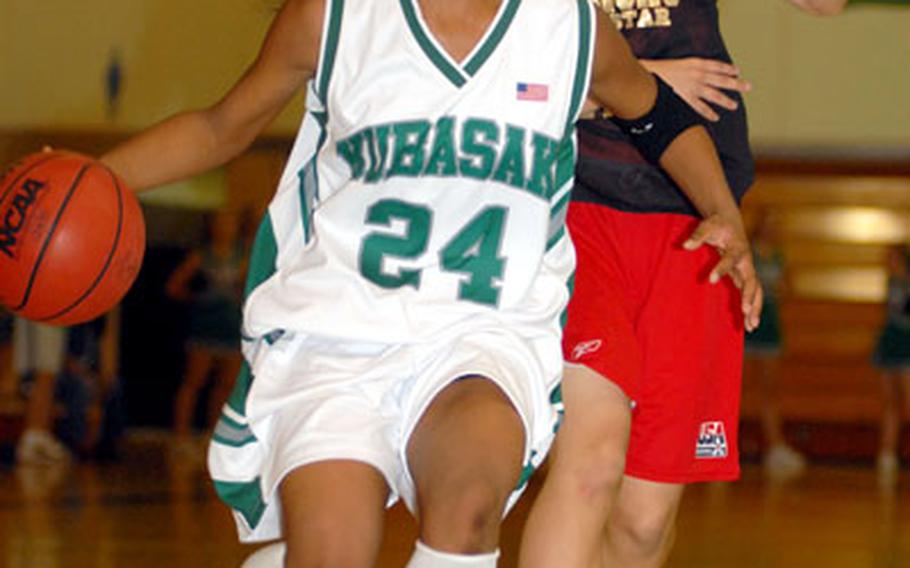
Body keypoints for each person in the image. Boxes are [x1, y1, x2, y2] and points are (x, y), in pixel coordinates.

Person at [98, 0, 758, 565]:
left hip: (482, 335)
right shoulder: (335, 17)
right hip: (335, 333)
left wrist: (721, 211)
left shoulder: (567, 24)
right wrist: (93, 180)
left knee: (470, 506)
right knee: (335, 551)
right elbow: (221, 127)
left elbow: (661, 117)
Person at [520, 1, 846, 567]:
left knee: (643, 524)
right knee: (591, 463)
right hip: (579, 204)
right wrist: (637, 84)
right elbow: (503, 74)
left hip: (695, 215)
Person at [165, 209, 246, 455]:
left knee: (225, 385)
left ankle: (214, 436)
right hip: (205, 329)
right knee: (194, 382)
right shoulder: (201, 256)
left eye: (230, 222)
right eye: (221, 222)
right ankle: (180, 437)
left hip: (231, 328)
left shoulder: (244, 256)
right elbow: (173, 286)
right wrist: (197, 299)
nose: (225, 228)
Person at [745, 209, 807, 479]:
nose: (772, 230)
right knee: (735, 388)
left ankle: (775, 446)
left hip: (770, 327)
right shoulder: (747, 252)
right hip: (746, 325)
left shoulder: (779, 257)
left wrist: (781, 287)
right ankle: (719, 447)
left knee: (770, 389)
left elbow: (788, 289)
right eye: (768, 224)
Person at [872, 244, 910, 487]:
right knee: (889, 401)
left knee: (907, 400)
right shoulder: (890, 283)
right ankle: (887, 452)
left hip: (907, 344)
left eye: (893, 259)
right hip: (890, 344)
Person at [13, 318, 70, 465]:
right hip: (43, 309)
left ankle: (40, 432)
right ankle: (33, 435)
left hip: (44, 313)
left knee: (48, 373)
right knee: (45, 371)